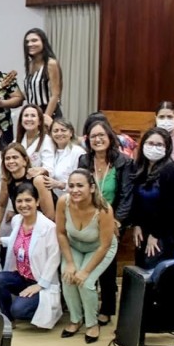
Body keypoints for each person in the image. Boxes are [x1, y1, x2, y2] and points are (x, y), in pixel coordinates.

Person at [78, 118, 134, 326]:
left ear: (110, 137)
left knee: (107, 267)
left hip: (114, 222)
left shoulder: (123, 162)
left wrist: (116, 223)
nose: (98, 139)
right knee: (84, 262)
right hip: (87, 219)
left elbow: (127, 196)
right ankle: (85, 305)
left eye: (102, 135)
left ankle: (107, 308)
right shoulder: (84, 161)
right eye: (93, 137)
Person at [0, 182, 61, 329]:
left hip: (40, 281)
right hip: (22, 277)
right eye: (19, 201)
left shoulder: (48, 227)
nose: (23, 205)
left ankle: (30, 309)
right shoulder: (17, 220)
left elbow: (54, 257)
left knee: (18, 310)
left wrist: (40, 285)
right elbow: (21, 242)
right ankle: (7, 319)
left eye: (28, 200)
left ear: (37, 202)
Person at [57, 169, 118, 344]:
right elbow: (61, 233)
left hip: (99, 248)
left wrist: (85, 271)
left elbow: (105, 245)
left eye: (80, 186)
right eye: (71, 186)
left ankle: (92, 324)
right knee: (67, 276)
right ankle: (76, 319)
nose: (75, 190)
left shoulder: (104, 209)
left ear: (91, 188)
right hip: (75, 244)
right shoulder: (63, 202)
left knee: (86, 282)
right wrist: (69, 263)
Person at [130, 127, 174, 268]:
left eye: (159, 145)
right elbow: (136, 199)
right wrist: (137, 224)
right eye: (150, 143)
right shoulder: (139, 166)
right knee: (142, 266)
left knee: (158, 268)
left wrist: (155, 234)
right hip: (146, 224)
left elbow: (171, 207)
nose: (154, 147)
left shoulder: (171, 170)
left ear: (167, 147)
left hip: (169, 228)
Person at [0, 143, 55, 244]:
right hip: (27, 228)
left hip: (47, 231)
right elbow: (1, 205)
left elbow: (50, 216)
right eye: (7, 158)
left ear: (25, 161)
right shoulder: (7, 180)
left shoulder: (37, 180)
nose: (11, 161)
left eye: (15, 157)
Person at [23, 28, 62, 126]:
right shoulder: (30, 64)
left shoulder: (50, 63)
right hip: (32, 114)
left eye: (34, 40)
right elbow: (31, 91)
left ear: (43, 42)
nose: (30, 44)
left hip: (48, 113)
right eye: (27, 42)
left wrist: (45, 119)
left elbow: (55, 94)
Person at [45, 118, 86, 198]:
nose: (59, 133)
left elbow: (82, 183)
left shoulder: (78, 152)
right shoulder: (49, 152)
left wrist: (59, 184)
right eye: (55, 131)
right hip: (52, 200)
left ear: (71, 133)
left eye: (63, 130)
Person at [17, 104, 54, 178]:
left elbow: (49, 168)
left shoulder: (46, 140)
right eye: (26, 115)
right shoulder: (16, 141)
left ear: (40, 121)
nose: (29, 119)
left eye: (33, 116)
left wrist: (40, 170)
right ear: (21, 120)